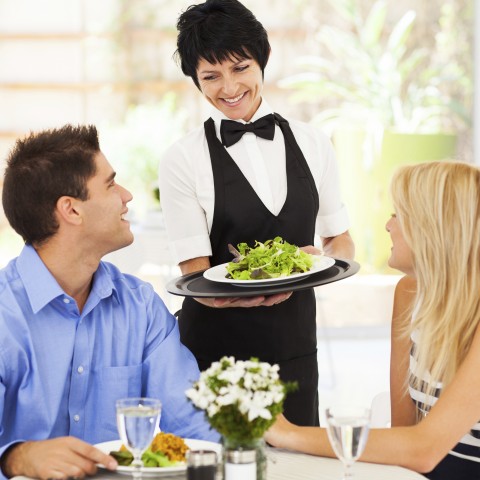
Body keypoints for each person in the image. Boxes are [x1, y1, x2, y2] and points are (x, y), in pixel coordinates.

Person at [159, 0, 354, 429]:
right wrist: (241, 291)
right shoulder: (182, 159)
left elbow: (341, 242)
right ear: (196, 81)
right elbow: (195, 272)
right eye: (211, 76)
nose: (228, 87)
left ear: (262, 60)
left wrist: (317, 261)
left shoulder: (314, 142)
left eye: (240, 67)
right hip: (214, 353)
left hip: (294, 344)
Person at [0, 125, 219, 480]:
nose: (127, 195)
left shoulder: (141, 307)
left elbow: (196, 426)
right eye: (111, 184)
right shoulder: (5, 315)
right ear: (71, 210)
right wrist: (16, 459)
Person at [264, 161, 480, 480]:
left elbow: (422, 449)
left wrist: (287, 433)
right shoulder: (408, 293)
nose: (388, 226)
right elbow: (403, 437)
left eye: (398, 214)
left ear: (433, 227)